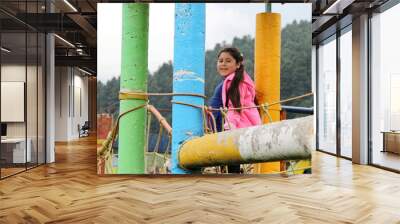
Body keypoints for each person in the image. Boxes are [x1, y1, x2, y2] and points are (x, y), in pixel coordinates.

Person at [208, 47, 261, 173]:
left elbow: (235, 108)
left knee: (231, 164)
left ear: (238, 64)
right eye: (220, 61)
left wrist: (229, 127)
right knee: (228, 165)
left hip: (234, 128)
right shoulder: (230, 81)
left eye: (228, 61)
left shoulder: (235, 82)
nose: (223, 64)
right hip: (228, 126)